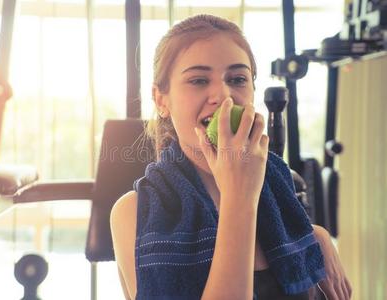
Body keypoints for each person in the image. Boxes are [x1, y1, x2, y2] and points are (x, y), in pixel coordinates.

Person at [111, 14, 352, 300]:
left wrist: (314, 235)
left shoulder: (279, 189)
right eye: (198, 80)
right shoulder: (132, 213)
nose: (224, 96)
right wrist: (239, 195)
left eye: (237, 79)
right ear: (161, 100)